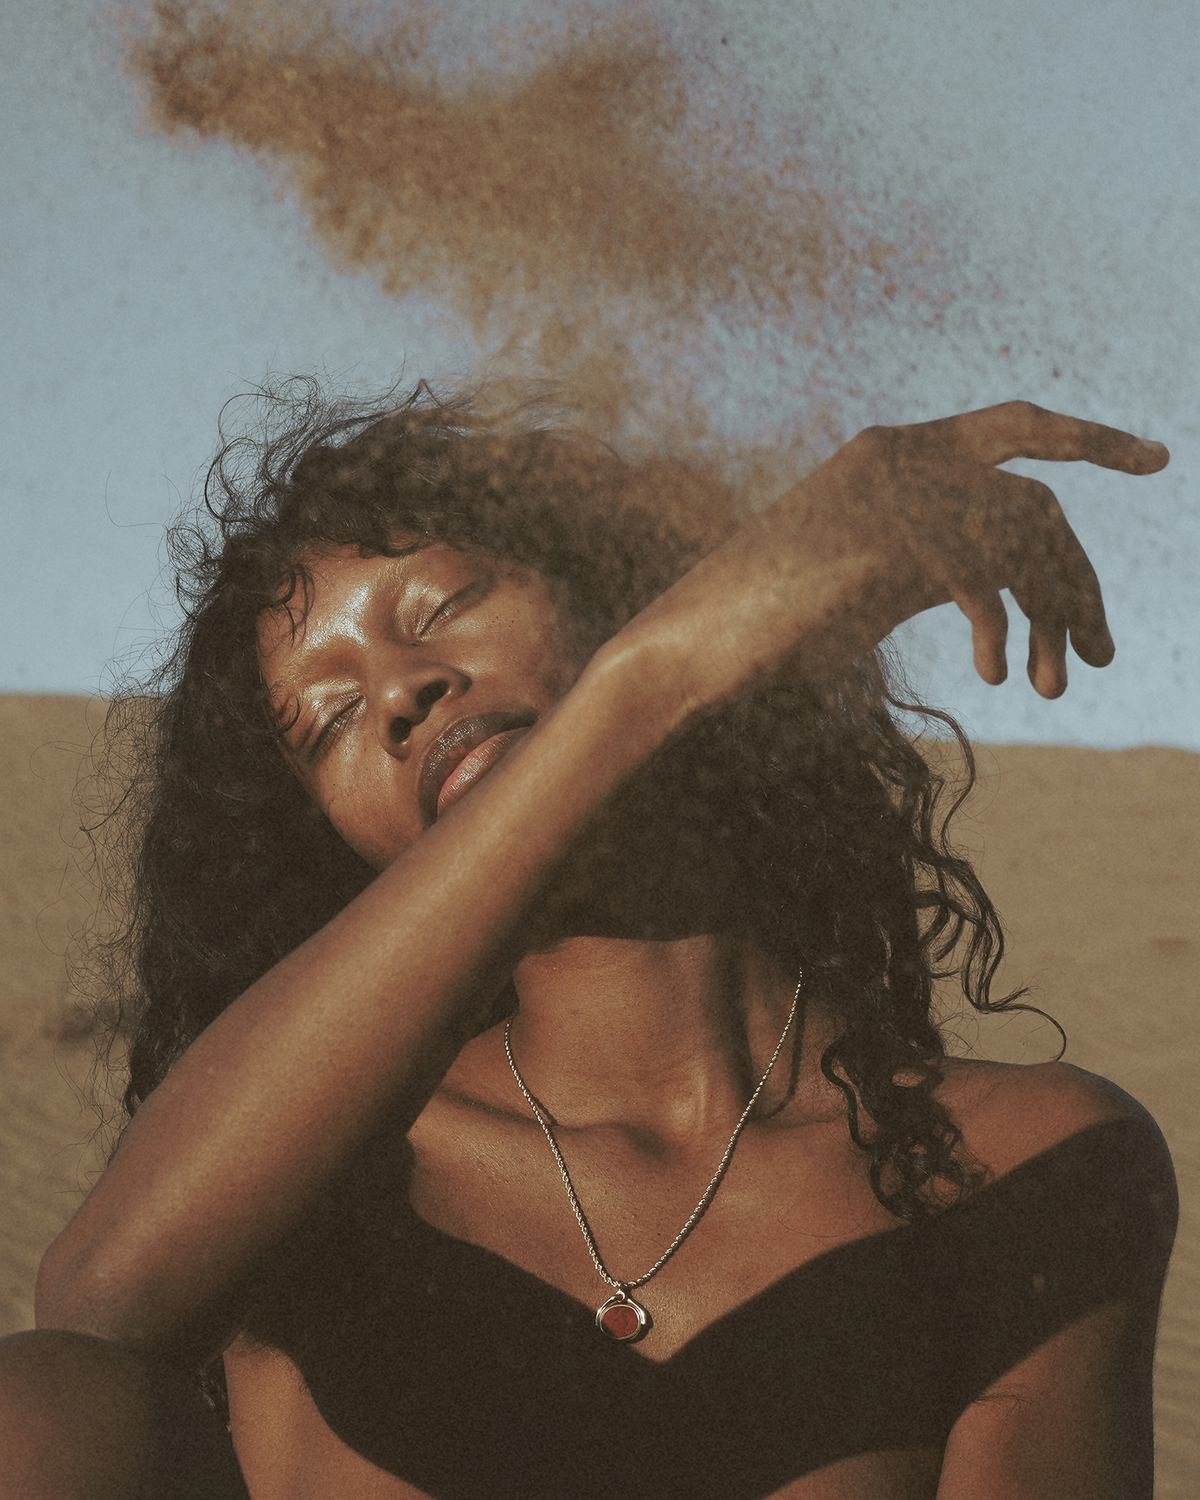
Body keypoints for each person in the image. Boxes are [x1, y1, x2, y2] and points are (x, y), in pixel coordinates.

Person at [2, 383, 1177, 1499]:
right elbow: (99, 1309)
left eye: (441, 608)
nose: (400, 695)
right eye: (329, 720)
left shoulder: (1020, 1161)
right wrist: (646, 686)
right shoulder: (322, 1172)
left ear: (616, 590)